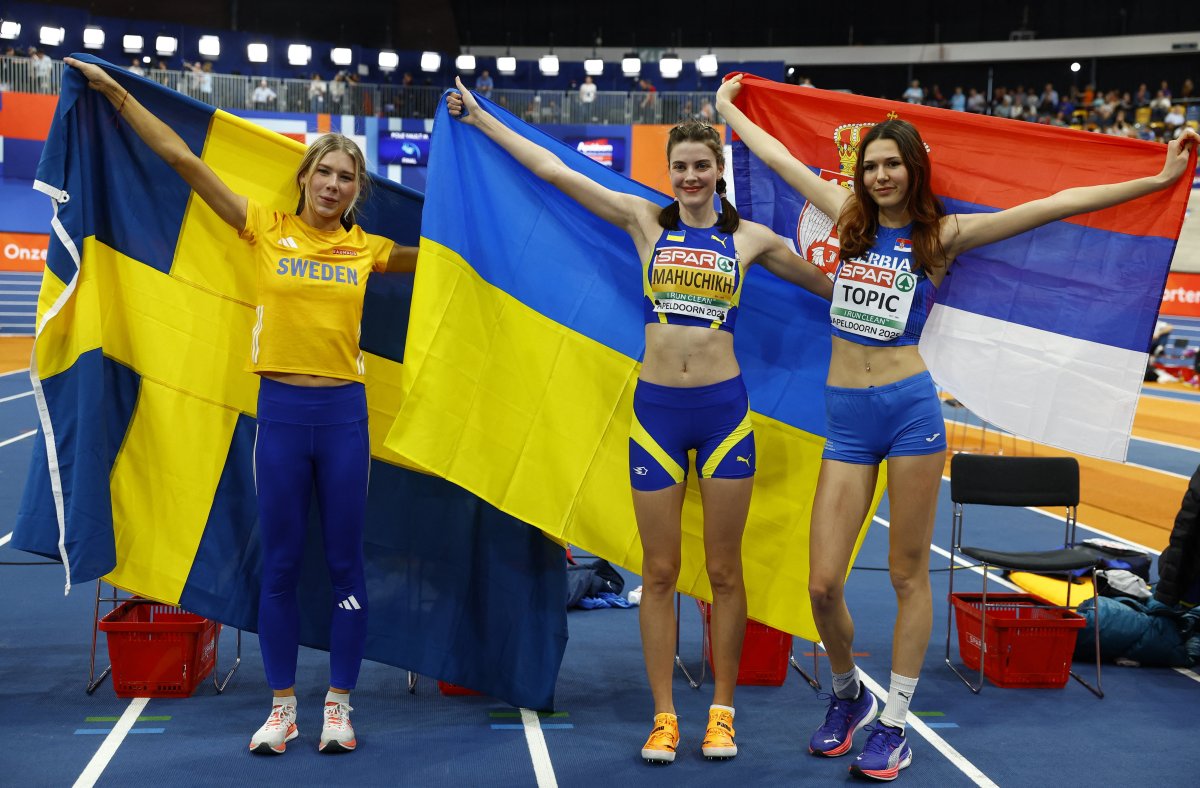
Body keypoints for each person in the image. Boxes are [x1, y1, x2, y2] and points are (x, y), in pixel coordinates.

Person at [716, 73, 1198, 781]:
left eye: (892, 164)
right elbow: (781, 159)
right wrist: (727, 109)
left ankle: (894, 723)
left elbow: (1054, 206)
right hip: (846, 421)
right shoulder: (845, 218)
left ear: (914, 170)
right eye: (871, 165)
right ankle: (848, 695)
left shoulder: (942, 236)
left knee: (907, 574)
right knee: (821, 584)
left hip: (910, 413)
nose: (880, 175)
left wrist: (1156, 179)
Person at [446, 76, 831, 765]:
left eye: (701, 165)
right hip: (657, 414)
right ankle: (664, 717)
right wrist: (481, 121)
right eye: (680, 166)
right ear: (669, 171)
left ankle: (721, 714)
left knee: (724, 571)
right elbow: (553, 170)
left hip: (724, 414)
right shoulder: (643, 220)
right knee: (658, 572)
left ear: (718, 170)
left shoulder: (753, 240)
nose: (690, 177)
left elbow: (831, 289)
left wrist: (900, 280)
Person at [63, 56, 419, 756]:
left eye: (347, 177)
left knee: (346, 567)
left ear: (357, 190)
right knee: (279, 565)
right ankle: (283, 708)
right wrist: (117, 94)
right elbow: (183, 161)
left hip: (344, 421)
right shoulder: (265, 227)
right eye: (325, 172)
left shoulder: (368, 249)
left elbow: (452, 258)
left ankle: (339, 706)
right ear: (305, 177)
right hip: (280, 418)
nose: (334, 184)